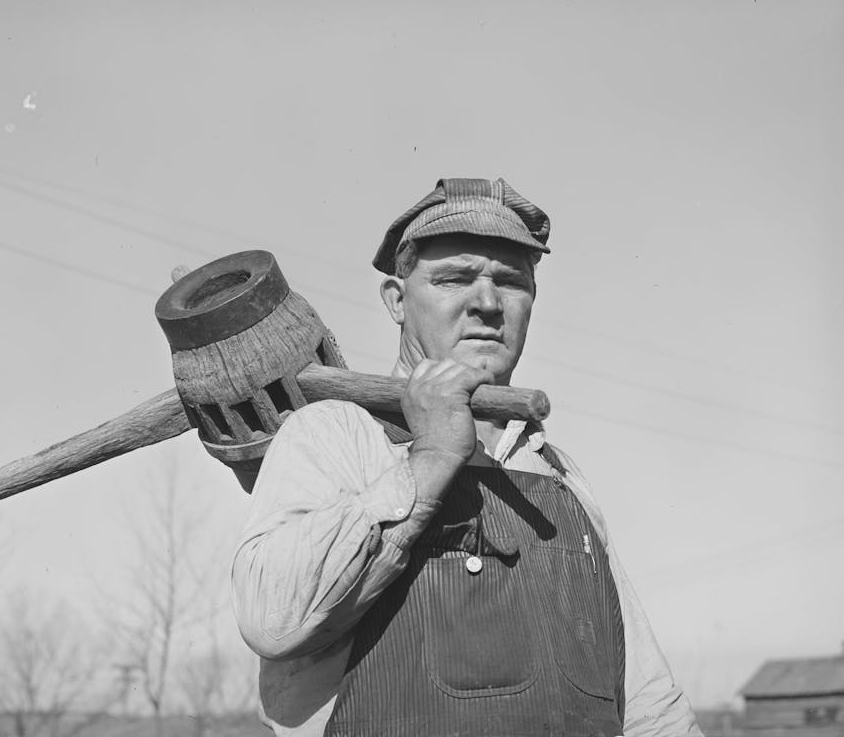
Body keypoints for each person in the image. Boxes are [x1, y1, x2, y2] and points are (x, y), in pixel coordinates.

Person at [231, 178, 702, 736]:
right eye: (454, 278)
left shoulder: (558, 475)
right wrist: (429, 457)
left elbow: (648, 703)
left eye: (510, 282)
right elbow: (271, 619)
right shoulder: (336, 434)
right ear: (397, 301)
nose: (487, 303)